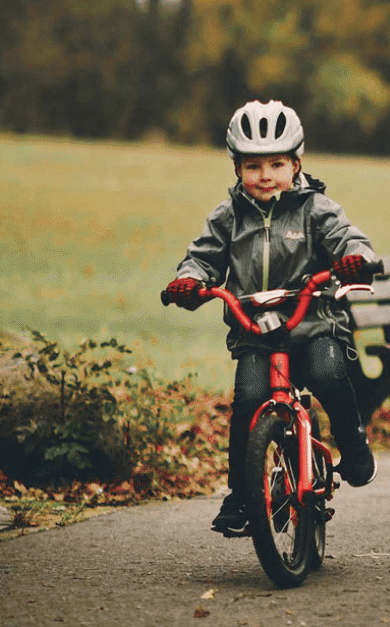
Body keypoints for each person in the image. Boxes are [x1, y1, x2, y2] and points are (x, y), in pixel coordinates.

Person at [160, 100, 378, 536]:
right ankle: (242, 495)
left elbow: (347, 239)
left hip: (312, 324)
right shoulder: (227, 217)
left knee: (328, 373)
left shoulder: (316, 209)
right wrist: (189, 281)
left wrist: (356, 259)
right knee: (248, 402)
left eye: (277, 164)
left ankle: (354, 446)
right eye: (253, 165)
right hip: (256, 333)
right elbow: (202, 258)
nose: (265, 175)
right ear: (237, 168)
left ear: (296, 164)